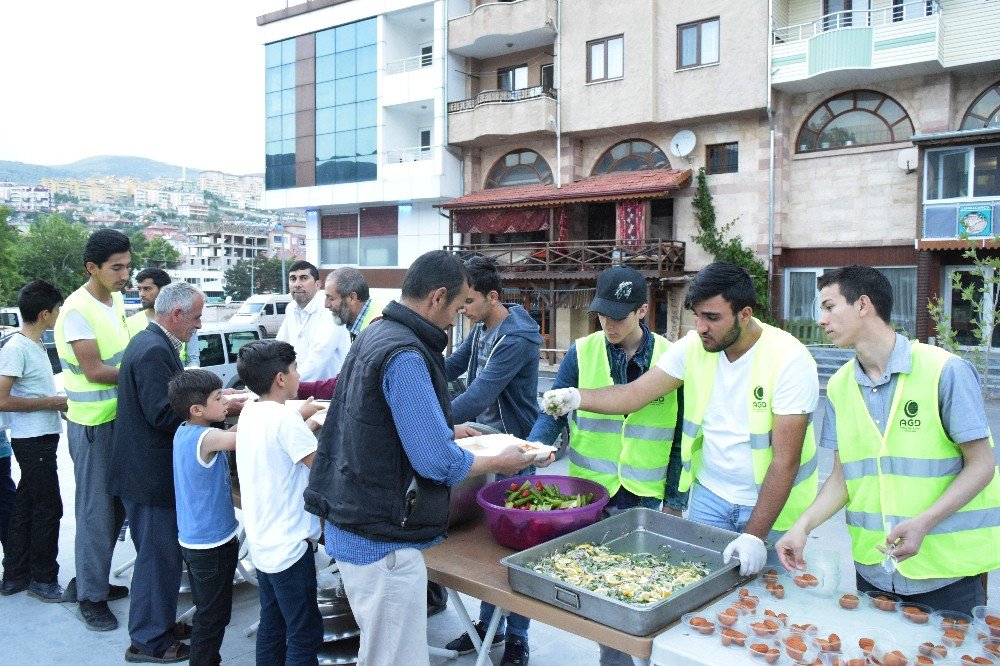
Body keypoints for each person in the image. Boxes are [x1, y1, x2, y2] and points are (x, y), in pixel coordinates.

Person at [304, 250, 541, 666]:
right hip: (381, 539)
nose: (459, 317)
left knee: (381, 650)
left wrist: (440, 427)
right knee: (393, 657)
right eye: (457, 305)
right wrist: (496, 461)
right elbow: (435, 462)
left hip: (355, 522)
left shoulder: (378, 333)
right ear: (437, 297)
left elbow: (380, 423)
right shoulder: (406, 354)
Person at [544, 262, 819, 578]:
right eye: (697, 315)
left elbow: (785, 461)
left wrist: (755, 536)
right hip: (710, 499)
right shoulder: (694, 346)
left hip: (771, 508)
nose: (700, 327)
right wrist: (577, 398)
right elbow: (634, 394)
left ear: (745, 314)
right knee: (701, 593)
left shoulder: (789, 359)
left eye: (712, 318)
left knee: (766, 606)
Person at [776, 266, 1000, 614]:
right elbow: (842, 478)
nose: (821, 319)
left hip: (947, 575)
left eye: (829, 307)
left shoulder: (945, 371)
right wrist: (801, 527)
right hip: (873, 571)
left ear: (863, 305)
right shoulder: (838, 386)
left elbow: (982, 466)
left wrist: (923, 522)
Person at [530, 265, 686, 666]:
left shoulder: (672, 358)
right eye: (602, 314)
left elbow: (681, 435)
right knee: (603, 593)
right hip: (591, 493)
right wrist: (536, 449)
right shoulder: (581, 352)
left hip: (644, 495)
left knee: (648, 588)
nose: (609, 323)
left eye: (619, 315)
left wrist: (674, 497)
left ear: (643, 311)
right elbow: (553, 411)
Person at [440, 256, 544, 664]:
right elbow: (450, 366)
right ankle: (488, 626)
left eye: (467, 301)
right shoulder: (482, 326)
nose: (461, 310)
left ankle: (516, 636)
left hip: (514, 451)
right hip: (487, 445)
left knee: (516, 547)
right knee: (487, 544)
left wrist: (427, 421)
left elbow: (478, 396)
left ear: (493, 296)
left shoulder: (515, 337)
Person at [108, 282, 212, 663]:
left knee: (164, 558)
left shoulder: (155, 342)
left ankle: (160, 624)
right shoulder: (153, 350)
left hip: (145, 473)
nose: (199, 325)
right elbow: (163, 412)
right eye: (197, 317)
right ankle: (149, 641)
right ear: (177, 314)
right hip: (148, 478)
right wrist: (213, 415)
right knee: (157, 560)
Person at [54, 228, 133, 631]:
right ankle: (89, 596)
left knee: (116, 511)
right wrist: (141, 375)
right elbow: (95, 370)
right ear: (92, 268)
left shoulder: (115, 300)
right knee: (95, 513)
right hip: (92, 428)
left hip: (117, 422)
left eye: (127, 266)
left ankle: (94, 580)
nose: (124, 275)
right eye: (116, 268)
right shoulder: (76, 310)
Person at [235, 340, 326, 666]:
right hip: (290, 547)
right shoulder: (285, 422)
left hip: (264, 544)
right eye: (295, 369)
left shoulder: (251, 411)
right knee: (304, 634)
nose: (300, 375)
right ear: (281, 378)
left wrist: (307, 420)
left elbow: (281, 442)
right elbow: (321, 468)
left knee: (273, 626)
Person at [0, 280, 68, 601]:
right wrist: (51, 402)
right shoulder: (16, 348)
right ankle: (43, 578)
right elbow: (1, 400)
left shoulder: (37, 345)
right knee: (49, 508)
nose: (59, 314)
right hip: (32, 442)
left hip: (43, 439)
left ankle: (15, 575)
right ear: (44, 313)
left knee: (25, 507)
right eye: (57, 309)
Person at [168, 369, 240, 666]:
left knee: (209, 613)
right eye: (218, 397)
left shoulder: (185, 431)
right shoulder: (207, 437)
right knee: (213, 618)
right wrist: (304, 415)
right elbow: (243, 437)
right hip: (211, 546)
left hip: (198, 542)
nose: (226, 401)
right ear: (196, 409)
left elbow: (229, 437)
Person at [276, 260, 350, 382]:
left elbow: (320, 355)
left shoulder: (329, 308)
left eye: (304, 278)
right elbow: (279, 347)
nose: (297, 284)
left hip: (329, 392)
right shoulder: (291, 308)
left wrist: (288, 384)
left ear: (318, 285)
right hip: (299, 388)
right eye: (293, 279)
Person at [128, 268, 200, 367]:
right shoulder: (130, 322)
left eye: (147, 289)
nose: (141, 294)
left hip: (179, 378)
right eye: (139, 289)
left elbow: (193, 360)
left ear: (164, 290)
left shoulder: (184, 320)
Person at [325, 266, 383, 341]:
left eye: (331, 298)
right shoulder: (364, 324)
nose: (326, 305)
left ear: (352, 298)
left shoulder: (378, 329)